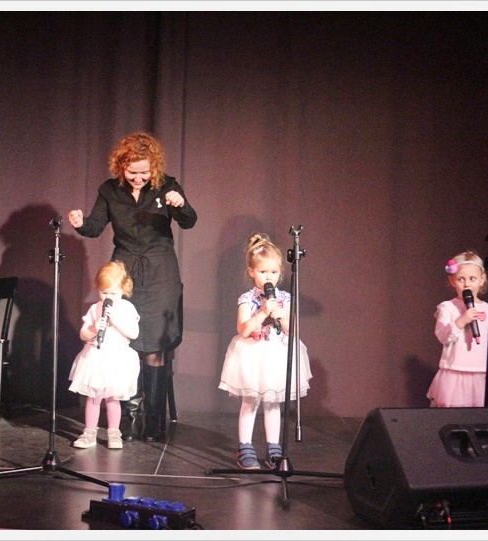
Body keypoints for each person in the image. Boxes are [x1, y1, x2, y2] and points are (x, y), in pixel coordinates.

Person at [67, 131, 197, 442]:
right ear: (121, 167)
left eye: (144, 173)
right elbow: (95, 227)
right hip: (124, 271)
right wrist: (80, 223)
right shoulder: (110, 190)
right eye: (132, 173)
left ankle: (154, 421)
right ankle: (131, 419)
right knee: (122, 342)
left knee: (154, 346)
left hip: (160, 271)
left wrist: (180, 204)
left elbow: (189, 220)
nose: (138, 179)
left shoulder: (167, 185)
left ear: (154, 167)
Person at [218, 233, 312, 470]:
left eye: (273, 272)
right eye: (263, 271)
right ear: (251, 272)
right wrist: (262, 312)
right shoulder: (247, 299)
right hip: (253, 355)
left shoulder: (285, 298)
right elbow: (243, 329)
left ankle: (273, 447)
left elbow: (293, 331)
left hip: (276, 354)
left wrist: (282, 317)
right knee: (251, 402)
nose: (269, 277)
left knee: (273, 403)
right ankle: (245, 447)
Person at [68, 261, 141, 449]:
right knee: (94, 397)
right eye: (104, 292)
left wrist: (115, 322)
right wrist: (93, 329)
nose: (108, 297)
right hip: (96, 357)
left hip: (116, 359)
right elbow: (83, 334)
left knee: (113, 398)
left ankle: (114, 433)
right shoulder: (95, 308)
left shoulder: (127, 308)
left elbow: (134, 333)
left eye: (113, 293)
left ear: (124, 289)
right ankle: (89, 433)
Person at [427, 250, 488, 407]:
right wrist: (461, 320)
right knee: (452, 414)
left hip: (481, 373)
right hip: (454, 372)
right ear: (452, 281)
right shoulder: (448, 307)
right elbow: (442, 336)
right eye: (461, 279)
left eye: (472, 279)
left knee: (481, 415)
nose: (467, 284)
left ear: (482, 279)